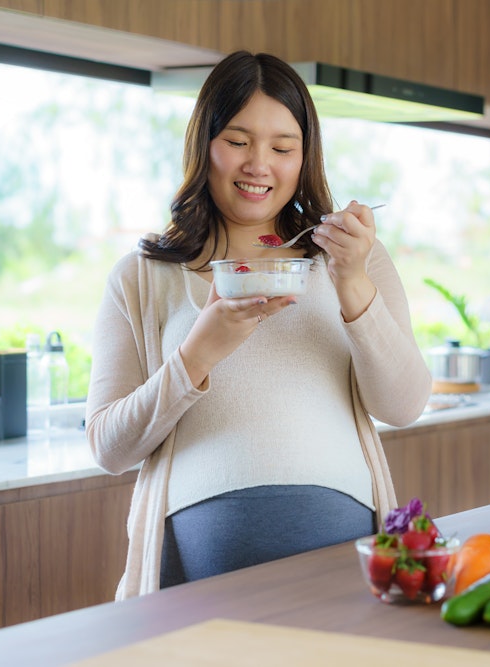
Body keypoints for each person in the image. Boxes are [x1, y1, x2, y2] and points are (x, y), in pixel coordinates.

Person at [85, 51, 432, 599]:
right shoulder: (144, 278)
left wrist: (351, 283)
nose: (259, 164)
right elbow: (109, 447)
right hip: (195, 589)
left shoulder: (353, 260)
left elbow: (404, 404)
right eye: (238, 141)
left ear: (304, 157)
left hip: (339, 580)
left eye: (282, 147)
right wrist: (197, 354)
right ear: (205, 146)